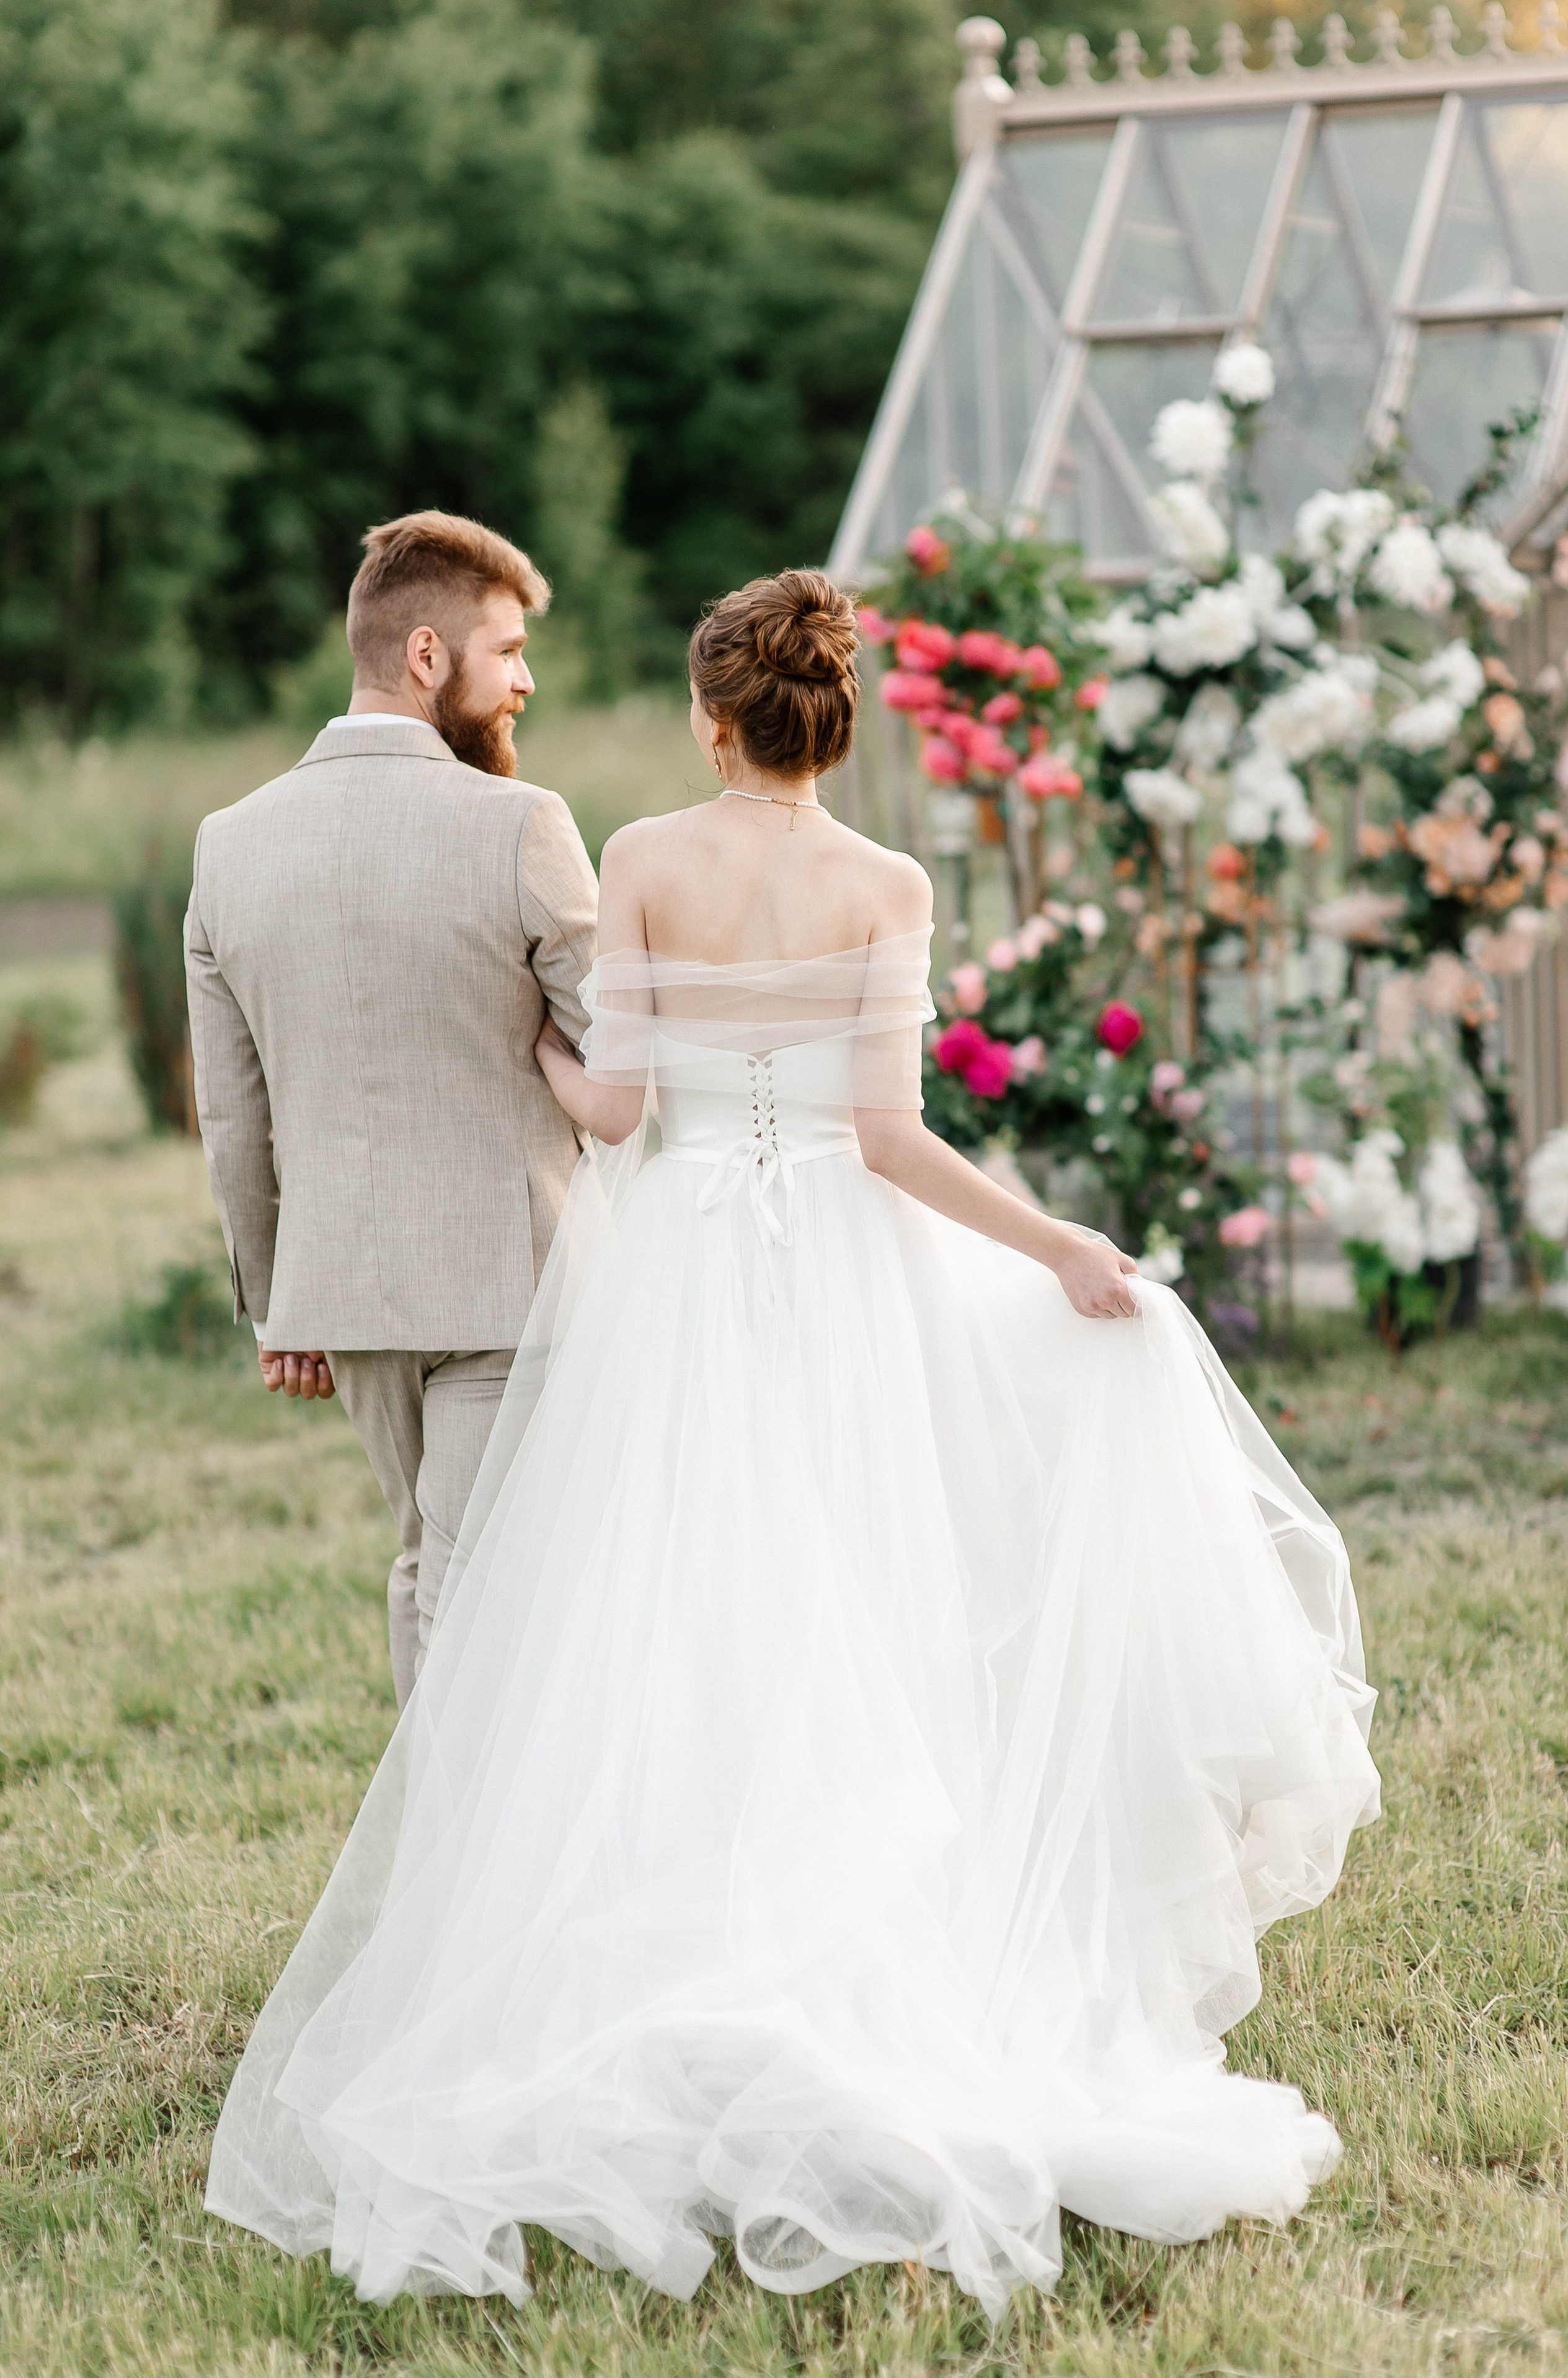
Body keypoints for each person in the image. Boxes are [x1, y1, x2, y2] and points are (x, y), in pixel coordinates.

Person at [205, 568, 1380, 2314]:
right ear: (837, 719)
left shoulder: (652, 860)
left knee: (684, 1613)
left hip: (679, 1281)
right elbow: (892, 1136)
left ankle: (675, 1936)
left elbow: (618, 1106)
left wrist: (538, 1050)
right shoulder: (884, 881)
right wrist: (1058, 1244)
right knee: (874, 1594)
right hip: (848, 1271)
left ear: (709, 713)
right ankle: (887, 1934)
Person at [185, 510, 598, 1709]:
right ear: (428, 656)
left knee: (433, 1561)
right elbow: (619, 1051)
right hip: (509, 1284)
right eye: (508, 649)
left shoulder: (230, 843)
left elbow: (232, 1114)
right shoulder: (524, 825)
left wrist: (280, 1304)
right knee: (469, 1578)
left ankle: (445, 1869)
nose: (524, 681)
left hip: (347, 1297)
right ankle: (469, 1878)